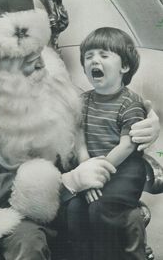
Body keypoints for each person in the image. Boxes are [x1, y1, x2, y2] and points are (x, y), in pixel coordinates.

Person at [0, 0, 160, 260]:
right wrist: (68, 183)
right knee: (28, 240)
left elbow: (88, 119)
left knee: (124, 220)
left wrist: (143, 124)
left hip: (67, 194)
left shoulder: (46, 66)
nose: (37, 60)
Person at [64, 27, 150, 260]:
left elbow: (127, 145)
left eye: (104, 55)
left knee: (101, 208)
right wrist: (85, 166)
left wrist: (97, 174)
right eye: (89, 56)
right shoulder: (84, 100)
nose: (95, 60)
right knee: (74, 210)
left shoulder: (130, 102)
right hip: (93, 167)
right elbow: (78, 135)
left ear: (124, 66)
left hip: (124, 171)